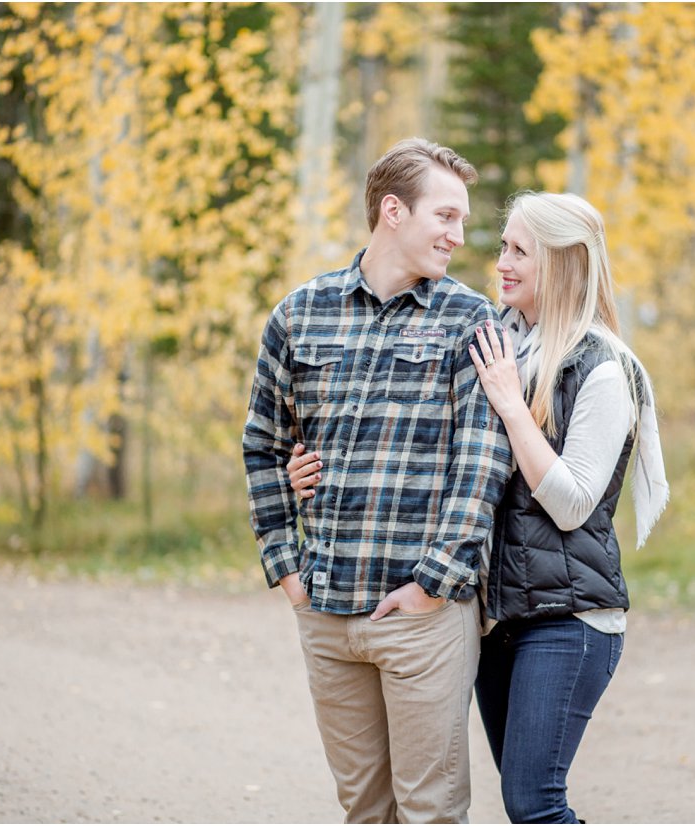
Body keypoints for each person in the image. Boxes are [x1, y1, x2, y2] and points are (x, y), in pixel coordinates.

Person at [289, 191, 669, 823]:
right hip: (496, 616)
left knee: (534, 801)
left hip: (567, 616)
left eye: (520, 251)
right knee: (522, 800)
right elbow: (415, 445)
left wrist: (512, 405)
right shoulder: (498, 343)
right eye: (503, 247)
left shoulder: (605, 369)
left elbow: (573, 503)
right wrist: (310, 468)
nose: (501, 263)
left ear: (566, 264)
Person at [242, 138, 512, 824]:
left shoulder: (468, 320)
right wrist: (287, 569)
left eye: (462, 220)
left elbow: (480, 464)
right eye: (445, 216)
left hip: (421, 617)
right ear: (392, 211)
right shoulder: (299, 316)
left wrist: (432, 586)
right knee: (363, 809)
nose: (459, 235)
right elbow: (263, 447)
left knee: (431, 812)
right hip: (327, 612)